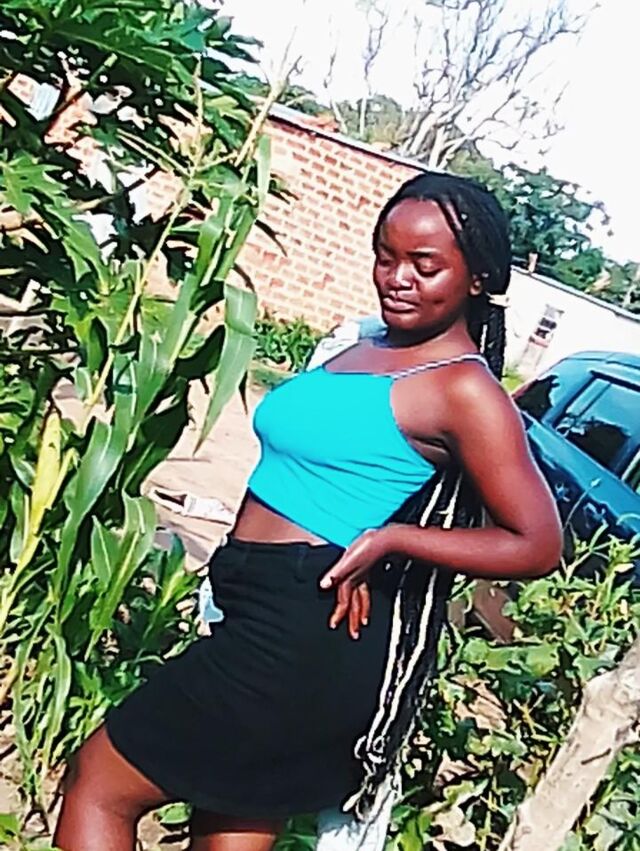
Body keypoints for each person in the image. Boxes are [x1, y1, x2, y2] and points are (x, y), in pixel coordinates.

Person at [54, 172, 562, 851]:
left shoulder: (464, 389)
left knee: (98, 782)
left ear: (479, 278)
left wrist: (395, 538)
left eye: (425, 265)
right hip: (266, 605)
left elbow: (537, 542)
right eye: (386, 256)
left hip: (303, 625)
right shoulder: (368, 343)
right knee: (229, 817)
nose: (398, 279)